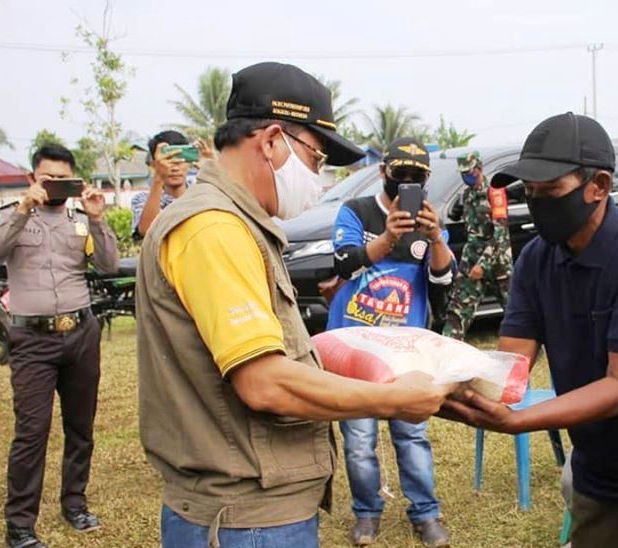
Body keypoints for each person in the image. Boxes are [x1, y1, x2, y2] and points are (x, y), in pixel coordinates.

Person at [135, 62, 449, 548]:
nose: (319, 179)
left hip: (253, 502)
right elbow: (263, 383)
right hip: (244, 516)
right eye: (317, 160)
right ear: (272, 140)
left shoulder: (237, 222)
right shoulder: (215, 228)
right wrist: (392, 399)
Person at [443, 112, 618, 548]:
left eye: (551, 191)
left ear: (599, 187)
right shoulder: (537, 260)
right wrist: (441, 379)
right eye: (530, 192)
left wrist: (519, 421)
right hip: (597, 468)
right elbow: (511, 363)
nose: (538, 203)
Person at [0, 144, 119, 548]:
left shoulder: (81, 220)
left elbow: (109, 265)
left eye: (63, 178)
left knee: (81, 426)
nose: (55, 184)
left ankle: (74, 503)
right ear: (32, 178)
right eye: (47, 177)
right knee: (31, 432)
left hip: (81, 332)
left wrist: (98, 219)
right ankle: (20, 525)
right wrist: (25, 207)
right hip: (32, 338)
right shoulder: (12, 216)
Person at [327, 137, 453, 547]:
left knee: (411, 433)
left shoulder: (429, 222)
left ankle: (426, 512)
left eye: (417, 177)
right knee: (359, 438)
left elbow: (442, 281)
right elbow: (343, 262)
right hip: (356, 345)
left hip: (405, 350)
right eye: (402, 175)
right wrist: (384, 238)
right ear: (384, 173)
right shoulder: (357, 212)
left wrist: (435, 238)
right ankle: (366, 513)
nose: (408, 182)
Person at [442, 151, 513, 340]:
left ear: (479, 169)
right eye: (463, 173)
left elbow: (500, 233)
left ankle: (524, 350)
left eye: (469, 172)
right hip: (471, 260)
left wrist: (483, 264)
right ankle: (449, 349)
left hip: (497, 262)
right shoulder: (467, 195)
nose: (466, 176)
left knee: (515, 311)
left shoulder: (495, 193)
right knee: (457, 309)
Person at [131, 130, 214, 239]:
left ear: (189, 162)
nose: (175, 168)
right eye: (168, 161)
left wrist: (213, 170)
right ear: (154, 165)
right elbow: (147, 231)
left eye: (180, 161)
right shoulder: (143, 199)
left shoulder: (201, 190)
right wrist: (158, 178)